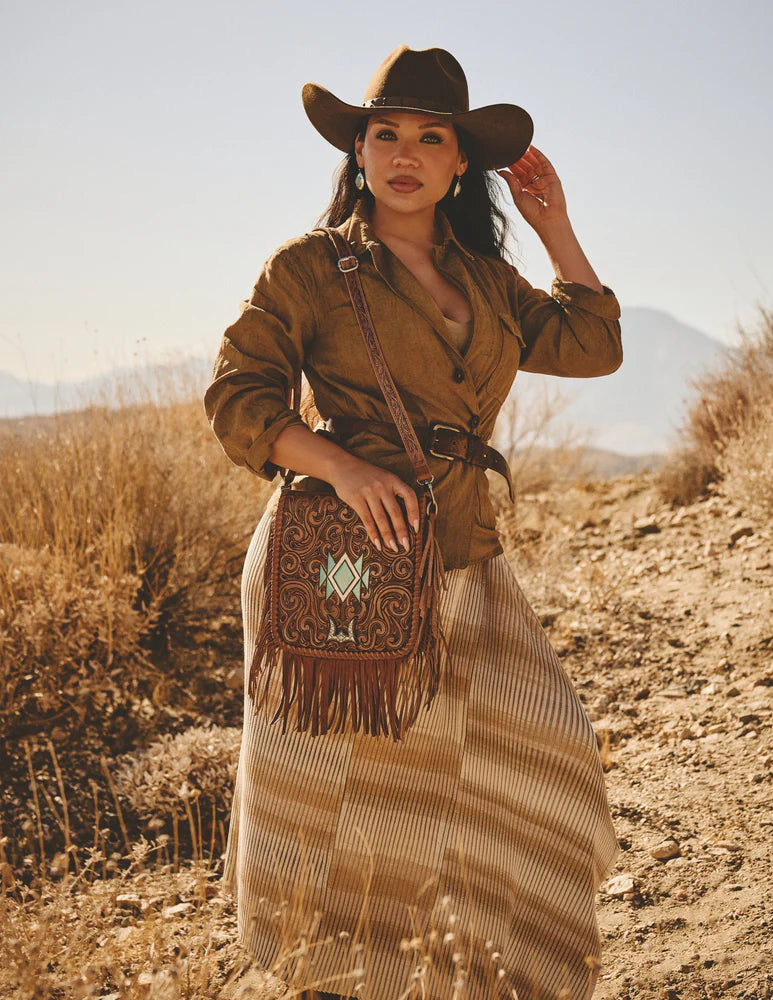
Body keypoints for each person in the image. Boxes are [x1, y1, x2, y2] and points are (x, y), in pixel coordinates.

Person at [205, 45, 621, 1000]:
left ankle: (479, 970)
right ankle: (334, 971)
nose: (404, 152)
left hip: (467, 554)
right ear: (356, 150)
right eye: (383, 132)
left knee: (540, 748)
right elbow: (236, 396)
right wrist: (339, 463)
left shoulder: (485, 277)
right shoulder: (309, 269)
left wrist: (554, 227)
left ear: (459, 164)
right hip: (340, 562)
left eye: (430, 138)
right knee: (340, 779)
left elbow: (594, 346)